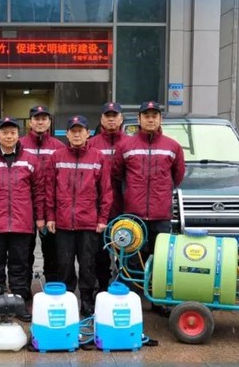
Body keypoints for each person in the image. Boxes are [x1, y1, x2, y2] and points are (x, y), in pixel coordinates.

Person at [114, 101, 185, 313]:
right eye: (146, 116)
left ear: (160, 119)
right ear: (139, 119)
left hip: (161, 215)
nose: (151, 119)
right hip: (133, 214)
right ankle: (130, 302)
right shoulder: (126, 146)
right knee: (131, 258)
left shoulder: (172, 147)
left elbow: (177, 176)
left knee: (160, 260)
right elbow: (117, 173)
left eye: (155, 115)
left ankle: (158, 301)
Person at [0, 117, 46, 323]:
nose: (8, 136)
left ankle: (19, 303)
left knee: (19, 266)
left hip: (22, 223)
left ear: (18, 135)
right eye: (4, 132)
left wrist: (40, 217)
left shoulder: (30, 160)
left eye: (12, 132)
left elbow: (38, 191)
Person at [46, 115, 112, 317]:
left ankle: (86, 300)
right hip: (63, 222)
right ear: (66, 134)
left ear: (88, 133)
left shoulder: (98, 157)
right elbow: (50, 189)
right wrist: (50, 216)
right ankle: (67, 299)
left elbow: (106, 192)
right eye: (73, 131)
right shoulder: (57, 157)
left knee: (88, 264)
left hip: (88, 223)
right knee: (64, 264)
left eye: (80, 131)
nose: (76, 135)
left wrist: (102, 219)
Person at [20, 105, 64, 294]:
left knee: (52, 252)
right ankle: (23, 289)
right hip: (25, 207)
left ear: (49, 122)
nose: (40, 122)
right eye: (36, 119)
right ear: (30, 122)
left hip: (50, 207)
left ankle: (53, 289)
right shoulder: (19, 144)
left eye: (44, 119)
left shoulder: (59, 147)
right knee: (24, 251)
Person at [86, 101, 125, 294]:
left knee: (126, 249)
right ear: (101, 119)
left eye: (114, 116)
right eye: (107, 116)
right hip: (97, 208)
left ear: (121, 118)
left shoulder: (129, 143)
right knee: (99, 251)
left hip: (123, 206)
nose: (111, 119)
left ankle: (125, 286)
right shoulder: (91, 144)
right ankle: (101, 286)